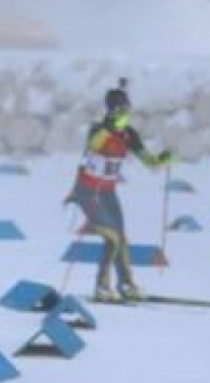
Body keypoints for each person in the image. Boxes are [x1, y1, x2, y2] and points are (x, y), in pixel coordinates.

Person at [65, 80, 170, 302]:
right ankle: (101, 287)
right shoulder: (98, 129)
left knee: (121, 239)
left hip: (108, 193)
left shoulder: (129, 134)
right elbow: (94, 145)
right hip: (87, 192)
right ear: (111, 111)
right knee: (112, 238)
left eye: (126, 111)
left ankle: (126, 284)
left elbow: (149, 161)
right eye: (119, 111)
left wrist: (162, 159)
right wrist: (110, 128)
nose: (124, 115)